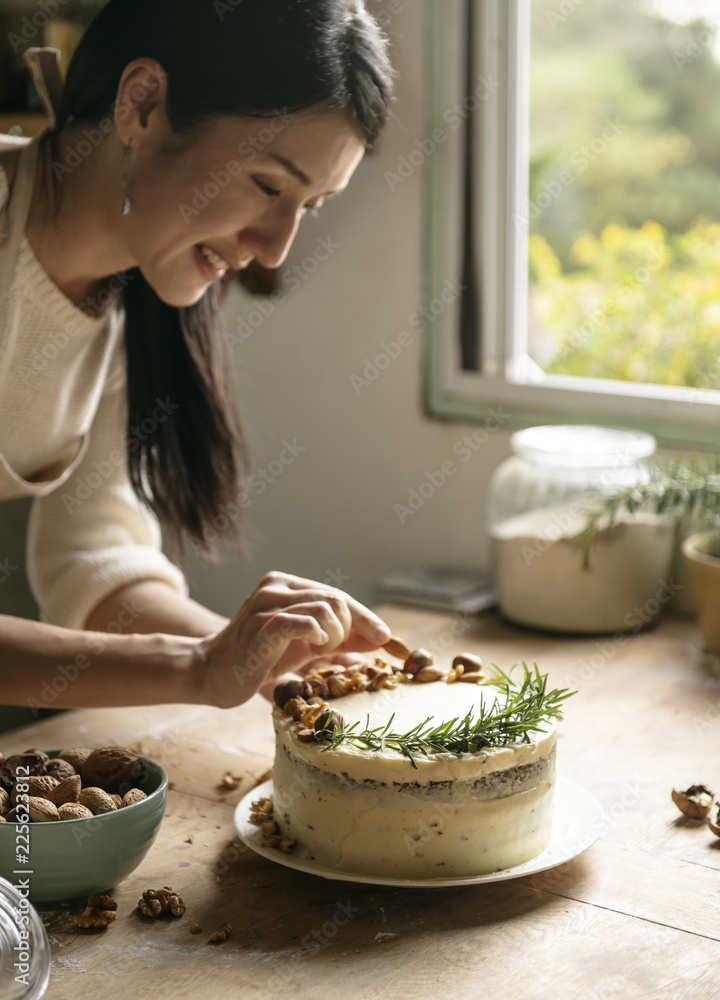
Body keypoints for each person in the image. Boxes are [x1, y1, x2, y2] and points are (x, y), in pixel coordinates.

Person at [0, 0, 395, 714]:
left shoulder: (133, 294)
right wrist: (194, 667)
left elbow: (94, 568)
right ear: (142, 104)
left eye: (310, 207)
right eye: (269, 186)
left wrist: (259, 656)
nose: (276, 248)